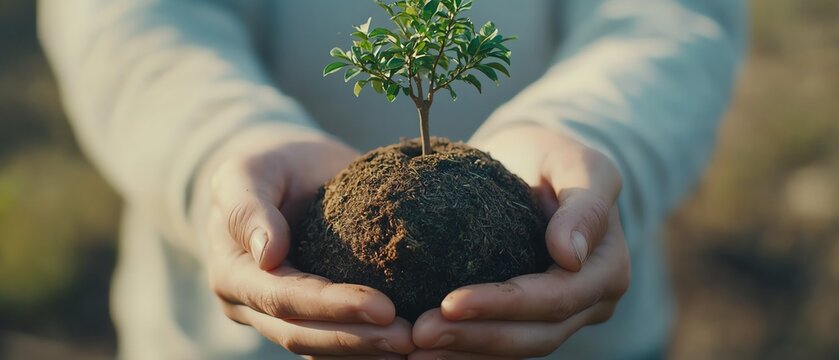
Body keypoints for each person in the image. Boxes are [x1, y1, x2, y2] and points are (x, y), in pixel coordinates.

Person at [39, 0, 745, 358]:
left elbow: (668, 15)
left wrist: (594, 136)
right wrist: (223, 140)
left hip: (568, 329)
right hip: (230, 338)